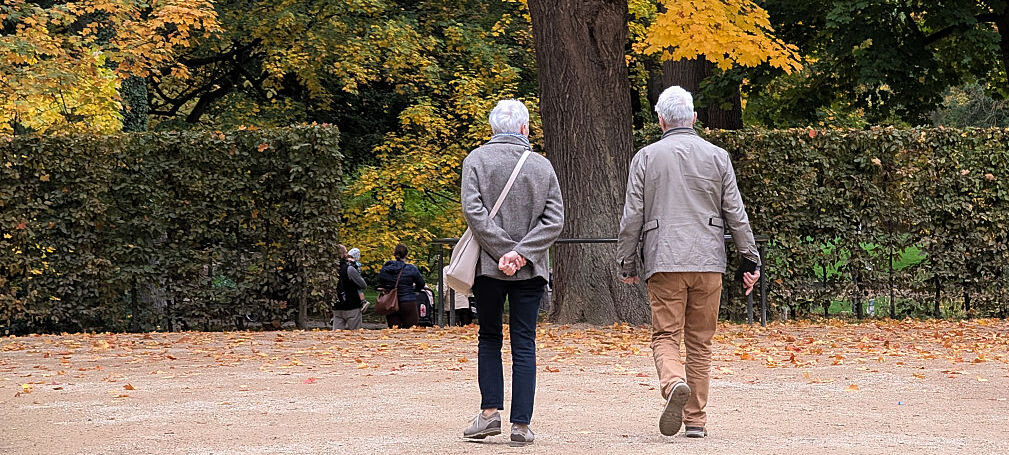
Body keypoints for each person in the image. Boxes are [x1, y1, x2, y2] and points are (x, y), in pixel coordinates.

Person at [616, 86, 761, 439]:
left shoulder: (646, 157)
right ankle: (695, 419)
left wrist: (627, 261)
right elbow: (735, 213)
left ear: (661, 120)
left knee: (666, 334)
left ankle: (674, 383)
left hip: (664, 259)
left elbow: (632, 215)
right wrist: (749, 258)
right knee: (700, 341)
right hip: (708, 260)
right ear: (694, 118)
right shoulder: (717, 156)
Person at [460, 99, 564, 447]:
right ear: (524, 129)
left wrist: (502, 250)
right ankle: (521, 425)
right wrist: (521, 253)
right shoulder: (542, 166)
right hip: (531, 269)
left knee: (489, 337)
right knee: (524, 342)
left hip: (488, 268)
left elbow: (473, 211)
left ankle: (489, 414)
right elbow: (554, 220)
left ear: (492, 129)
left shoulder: (475, 160)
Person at [377, 244, 425, 329]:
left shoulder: (386, 269)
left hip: (390, 302)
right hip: (408, 301)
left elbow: (380, 282)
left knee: (394, 329)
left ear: (394, 254)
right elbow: (421, 284)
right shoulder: (411, 268)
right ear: (406, 255)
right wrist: (413, 290)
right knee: (411, 329)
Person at [333, 245, 367, 330]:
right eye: (345, 252)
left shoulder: (331, 270)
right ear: (342, 255)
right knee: (355, 335)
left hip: (337, 306)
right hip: (352, 306)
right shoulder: (349, 269)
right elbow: (363, 285)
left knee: (336, 336)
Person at [347, 248, 369, 313]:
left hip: (352, 278)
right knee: (359, 289)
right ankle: (363, 301)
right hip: (355, 278)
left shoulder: (352, 264)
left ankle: (363, 301)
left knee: (358, 289)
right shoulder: (357, 263)